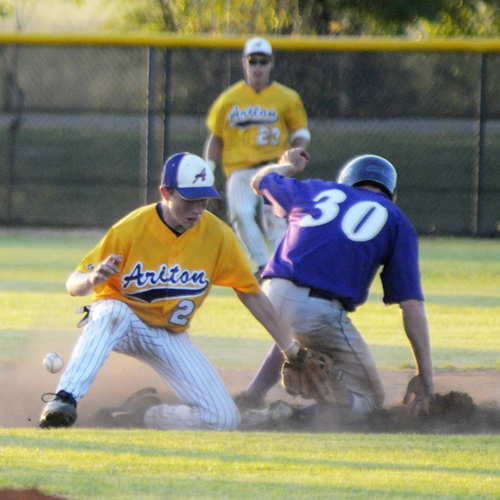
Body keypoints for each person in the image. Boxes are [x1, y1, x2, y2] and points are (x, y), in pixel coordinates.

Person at [37, 152, 305, 431]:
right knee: (111, 312)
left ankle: (141, 415)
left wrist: (289, 348)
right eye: (189, 199)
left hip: (169, 335)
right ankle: (64, 400)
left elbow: (250, 293)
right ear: (165, 193)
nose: (198, 208)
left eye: (203, 199)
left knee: (223, 419)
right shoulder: (132, 228)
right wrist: (91, 279)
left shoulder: (218, 236)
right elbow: (73, 283)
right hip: (123, 322)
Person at [235, 148, 434, 428]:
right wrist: (425, 375)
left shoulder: (315, 189)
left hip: (272, 293)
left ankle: (251, 397)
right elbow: (411, 306)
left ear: (346, 180)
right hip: (316, 309)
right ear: (390, 190)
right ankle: (283, 417)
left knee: (292, 327)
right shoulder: (397, 219)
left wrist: (288, 166)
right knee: (369, 398)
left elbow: (259, 182)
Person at [204, 36, 311, 280]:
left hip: (275, 166)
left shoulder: (287, 97)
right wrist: (208, 167)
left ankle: (286, 268)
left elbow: (301, 132)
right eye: (253, 61)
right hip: (240, 170)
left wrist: (295, 154)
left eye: (263, 61)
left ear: (271, 63)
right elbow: (216, 136)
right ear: (244, 62)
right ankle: (263, 266)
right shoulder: (229, 99)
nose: (258, 66)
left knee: (275, 219)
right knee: (240, 214)